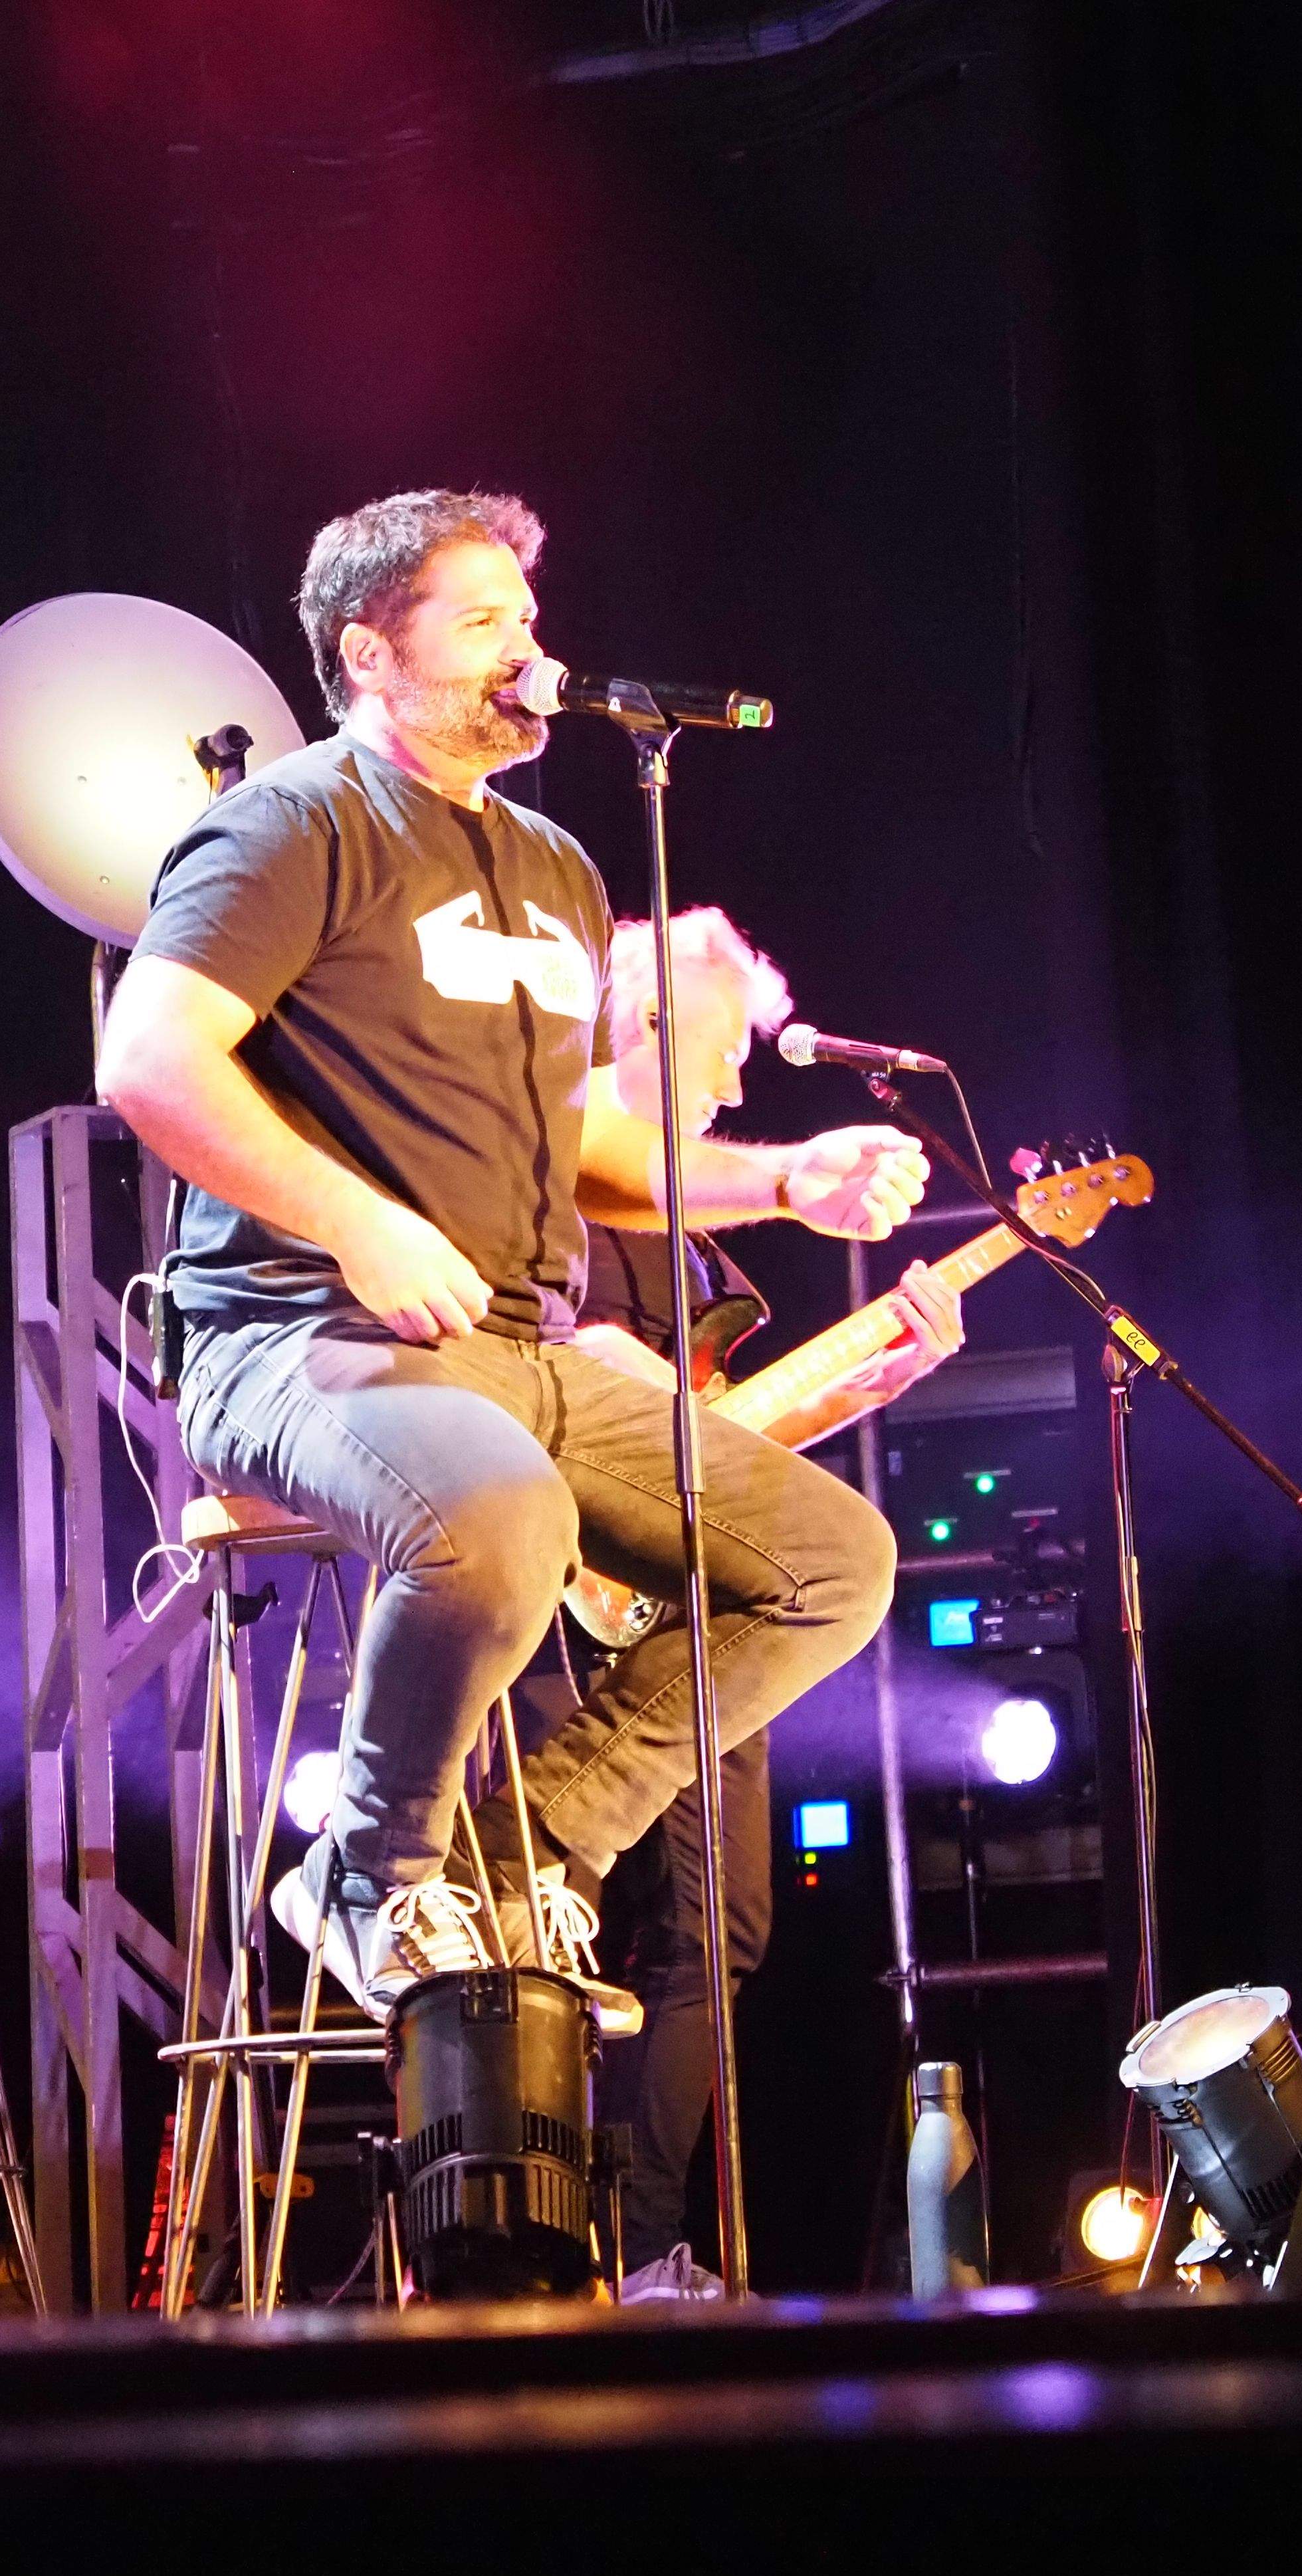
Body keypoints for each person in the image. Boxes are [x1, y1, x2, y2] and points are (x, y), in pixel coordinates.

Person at [96, 487, 920, 2032]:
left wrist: (783, 1180)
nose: (528, 651)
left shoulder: (558, 871)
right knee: (499, 1518)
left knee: (832, 1565)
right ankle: (368, 1874)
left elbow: (589, 1146)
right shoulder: (293, 823)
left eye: (527, 619)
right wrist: (356, 1217)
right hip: (299, 1336)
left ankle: (536, 1845)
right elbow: (149, 1061)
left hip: (518, 1353)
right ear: (370, 653)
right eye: (481, 622)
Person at [545, 905, 966, 2297]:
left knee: (719, 1928)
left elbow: (737, 1440)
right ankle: (541, 2245)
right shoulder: (550, 1172)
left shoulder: (701, 1245)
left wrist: (878, 1377)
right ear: (645, 1025)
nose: (735, 1087)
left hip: (707, 1595)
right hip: (563, 1583)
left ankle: (640, 2244)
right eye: (722, 1053)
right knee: (550, 1907)